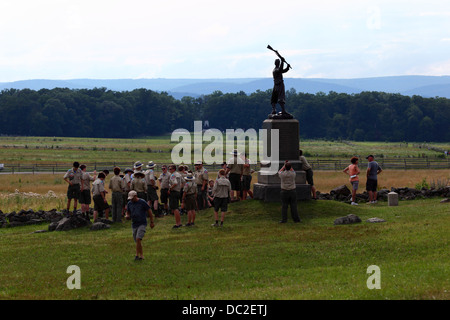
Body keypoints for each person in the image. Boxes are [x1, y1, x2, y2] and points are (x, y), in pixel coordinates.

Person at [125, 190, 155, 261]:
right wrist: (127, 216)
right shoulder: (129, 204)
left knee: (138, 238)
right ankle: (141, 255)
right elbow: (128, 212)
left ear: (136, 196)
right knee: (137, 241)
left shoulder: (142, 202)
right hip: (134, 224)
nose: (131, 200)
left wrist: (151, 221)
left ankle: (137, 255)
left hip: (142, 223)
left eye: (132, 198)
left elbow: (149, 211)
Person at [168, 164, 183, 228]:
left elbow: (175, 183)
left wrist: (170, 188)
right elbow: (183, 181)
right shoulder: (179, 174)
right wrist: (180, 188)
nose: (169, 170)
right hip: (178, 191)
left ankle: (178, 223)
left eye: (170, 169)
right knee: (176, 207)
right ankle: (179, 222)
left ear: (174, 169)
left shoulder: (173, 175)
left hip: (174, 192)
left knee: (175, 208)